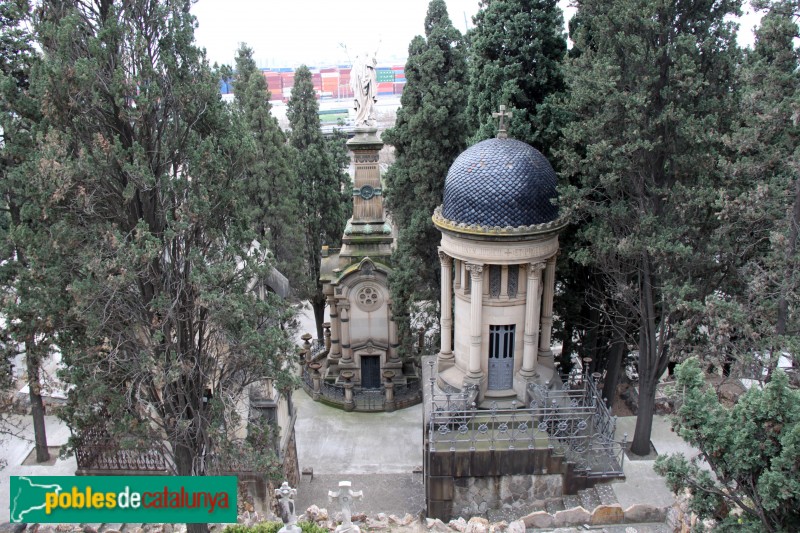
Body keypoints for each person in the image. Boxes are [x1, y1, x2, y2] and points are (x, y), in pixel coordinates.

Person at [350, 50, 377, 126]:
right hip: (359, 89)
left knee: (368, 103)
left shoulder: (367, 64)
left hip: (367, 90)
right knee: (361, 103)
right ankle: (362, 120)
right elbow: (353, 78)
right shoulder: (357, 64)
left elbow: (373, 71)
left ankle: (367, 118)